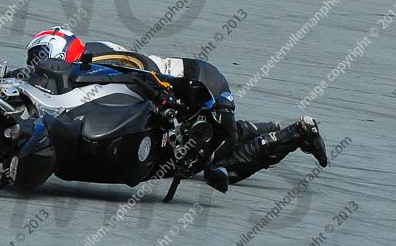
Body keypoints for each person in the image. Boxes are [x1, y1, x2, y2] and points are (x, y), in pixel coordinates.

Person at [24, 27, 328, 192]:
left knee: (214, 166)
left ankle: (293, 134)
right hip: (194, 83)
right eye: (33, 61)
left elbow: (140, 74)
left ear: (60, 45)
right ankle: (281, 128)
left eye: (39, 57)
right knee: (225, 140)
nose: (36, 65)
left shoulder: (95, 58)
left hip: (198, 82)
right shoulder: (88, 62)